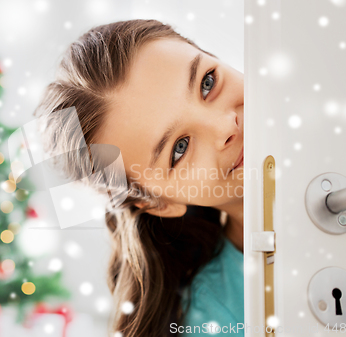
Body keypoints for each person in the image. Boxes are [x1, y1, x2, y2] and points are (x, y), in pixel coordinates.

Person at [34, 19, 244, 337]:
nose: (225, 127)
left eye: (207, 83)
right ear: (158, 203)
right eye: (180, 148)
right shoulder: (214, 322)